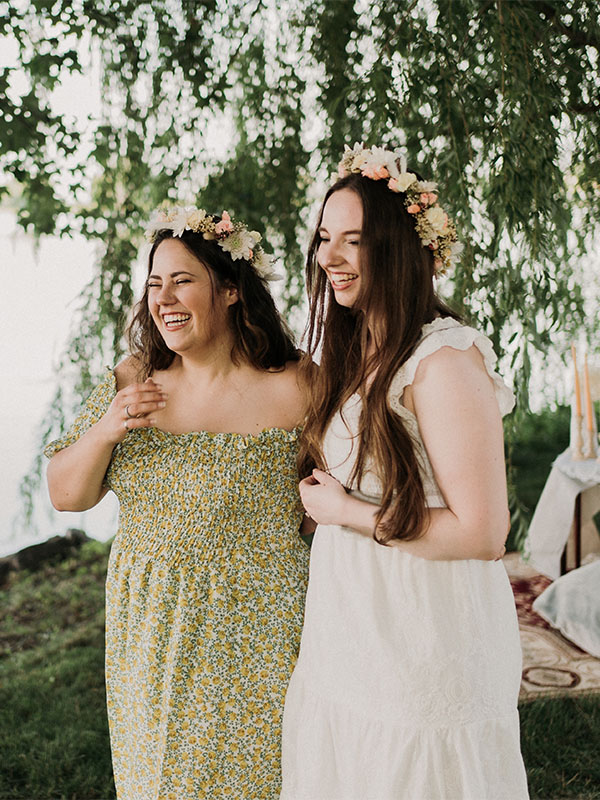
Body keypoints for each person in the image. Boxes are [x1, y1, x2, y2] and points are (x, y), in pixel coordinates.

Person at [280, 144, 529, 799]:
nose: (329, 257)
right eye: (324, 238)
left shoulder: (441, 361)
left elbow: (482, 533)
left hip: (425, 630)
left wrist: (345, 514)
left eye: (353, 240)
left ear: (395, 248)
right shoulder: (359, 345)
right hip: (353, 622)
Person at [44, 206, 310, 799]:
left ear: (232, 291)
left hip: (258, 630)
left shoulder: (295, 386)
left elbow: (340, 489)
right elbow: (66, 493)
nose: (162, 297)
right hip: (151, 625)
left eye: (182, 280)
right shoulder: (134, 378)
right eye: (154, 282)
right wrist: (108, 427)